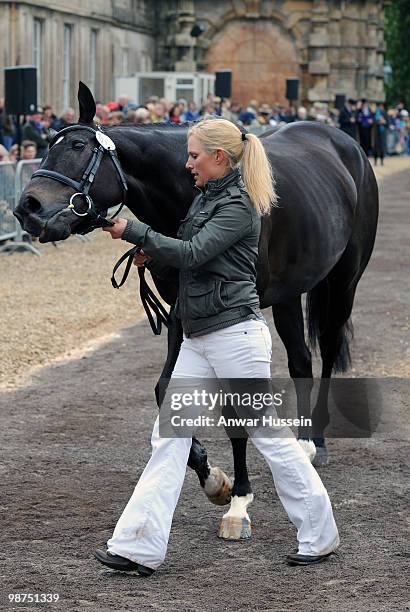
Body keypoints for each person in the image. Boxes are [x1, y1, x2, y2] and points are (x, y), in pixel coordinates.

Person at [94, 118, 339, 574]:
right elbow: (187, 249)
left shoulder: (239, 205)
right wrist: (152, 248)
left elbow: (191, 254)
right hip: (200, 335)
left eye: (194, 155)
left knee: (269, 438)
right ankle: (136, 547)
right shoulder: (207, 199)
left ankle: (320, 535)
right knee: (168, 437)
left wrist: (134, 231)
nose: (187, 163)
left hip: (234, 337)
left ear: (219, 158)